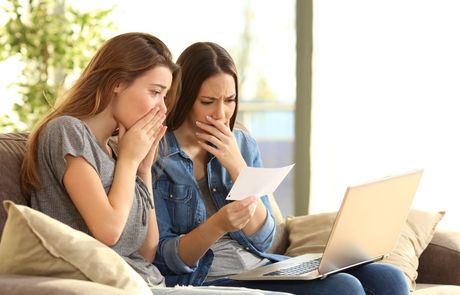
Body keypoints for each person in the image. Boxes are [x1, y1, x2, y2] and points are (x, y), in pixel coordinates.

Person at [151, 41, 410, 295]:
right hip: (210, 279)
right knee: (344, 288)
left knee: (389, 278)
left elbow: (264, 239)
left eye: (230, 100)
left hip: (261, 267)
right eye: (208, 101)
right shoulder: (157, 156)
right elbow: (165, 259)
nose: (221, 113)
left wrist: (237, 165)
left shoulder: (241, 143)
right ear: (184, 98)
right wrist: (216, 226)